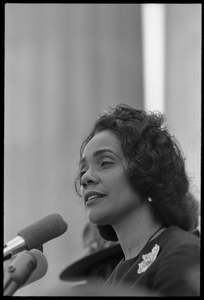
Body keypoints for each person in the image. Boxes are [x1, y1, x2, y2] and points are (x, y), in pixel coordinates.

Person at [74, 104, 200, 296]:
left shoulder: (180, 253)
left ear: (146, 170)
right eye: (84, 170)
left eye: (105, 163)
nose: (85, 178)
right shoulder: (114, 277)